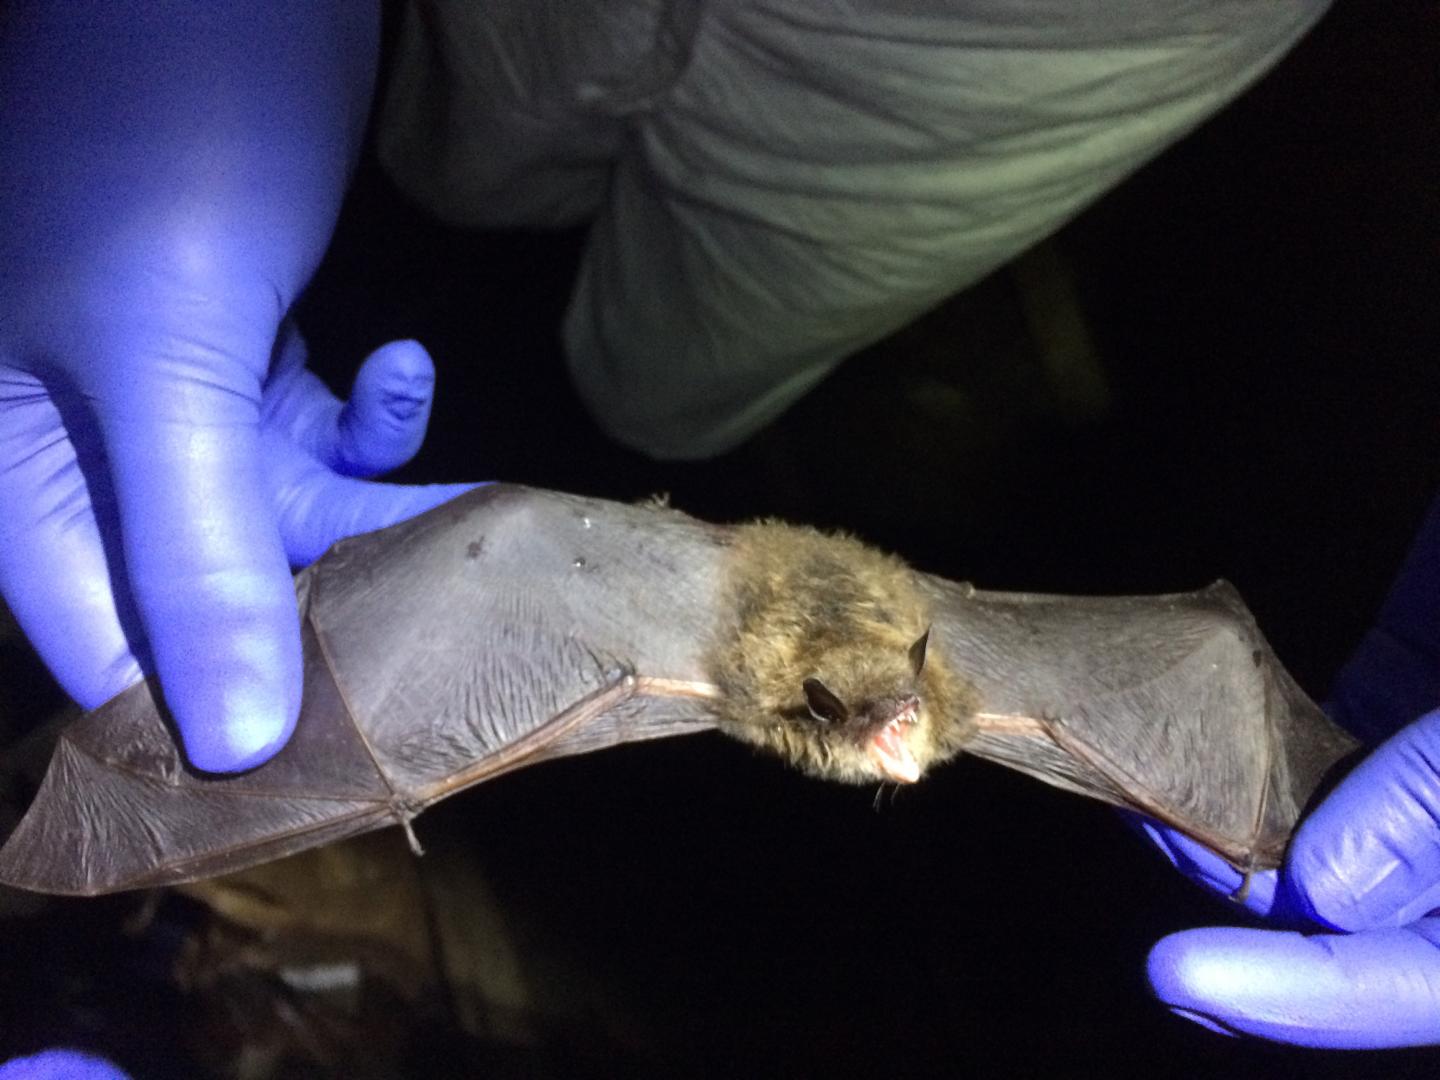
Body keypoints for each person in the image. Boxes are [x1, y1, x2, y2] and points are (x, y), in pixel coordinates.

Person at [1, 0, 1434, 1053]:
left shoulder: (940, 684)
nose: (895, 753)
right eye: (876, 729)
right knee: (468, 140)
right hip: (674, 593)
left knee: (667, 367)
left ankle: (594, 357)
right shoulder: (728, 679)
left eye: (891, 728)